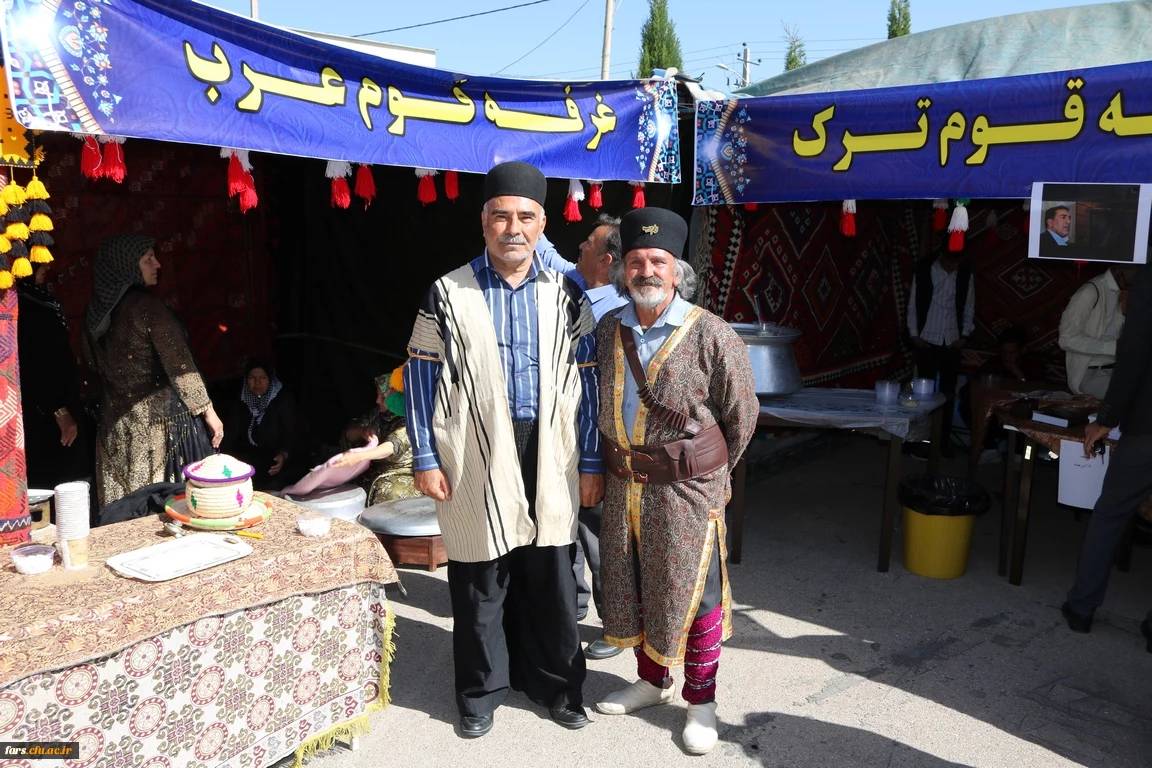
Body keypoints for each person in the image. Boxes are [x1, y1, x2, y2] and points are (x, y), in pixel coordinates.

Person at [404, 161, 603, 738]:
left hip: (552, 447)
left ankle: (556, 686)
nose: (512, 228)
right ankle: (480, 692)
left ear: (542, 223)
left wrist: (592, 459)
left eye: (524, 217)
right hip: (473, 447)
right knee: (480, 573)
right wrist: (424, 456)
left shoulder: (566, 293)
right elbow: (419, 375)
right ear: (483, 222)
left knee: (551, 574)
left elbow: (589, 378)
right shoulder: (447, 292)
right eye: (500, 216)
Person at [592, 207, 758, 755]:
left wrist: (710, 475)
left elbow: (742, 414)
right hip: (626, 485)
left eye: (658, 261)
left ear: (677, 270)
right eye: (636, 261)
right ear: (622, 270)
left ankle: (701, 702)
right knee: (639, 582)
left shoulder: (712, 333)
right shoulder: (609, 328)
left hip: (687, 490)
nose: (646, 271)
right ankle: (652, 681)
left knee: (695, 592)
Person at [82, 234, 223, 508]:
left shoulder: (94, 312)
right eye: (148, 258)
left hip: (114, 424)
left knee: (122, 503)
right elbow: (180, 366)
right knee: (162, 503)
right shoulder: (148, 307)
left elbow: (91, 363)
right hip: (157, 424)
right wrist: (209, 413)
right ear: (126, 265)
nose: (157, 264)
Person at [1063, 266, 1152, 655]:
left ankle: (1082, 608)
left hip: (1147, 426)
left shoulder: (1148, 279)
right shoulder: (1094, 290)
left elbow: (1133, 355)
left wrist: (1106, 419)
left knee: (1111, 514)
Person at [561, 214, 628, 660]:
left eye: (588, 242)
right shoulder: (575, 291)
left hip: (598, 438)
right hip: (566, 433)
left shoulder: (610, 312)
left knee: (600, 534)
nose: (580, 247)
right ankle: (573, 605)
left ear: (605, 260)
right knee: (566, 526)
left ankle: (616, 624)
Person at [17, 262, 86, 489]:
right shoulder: (25, 305)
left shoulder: (36, 299)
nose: (47, 265)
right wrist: (59, 409)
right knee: (56, 481)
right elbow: (35, 363)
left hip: (54, 404)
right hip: (46, 412)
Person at [906, 246, 976, 459]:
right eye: (951, 262)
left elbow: (969, 306)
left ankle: (942, 441)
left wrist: (964, 336)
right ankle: (916, 441)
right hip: (927, 339)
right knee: (922, 394)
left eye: (958, 262)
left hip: (952, 340)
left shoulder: (965, 274)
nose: (954, 266)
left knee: (947, 394)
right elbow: (913, 304)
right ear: (942, 256)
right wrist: (914, 335)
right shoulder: (925, 270)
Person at [332, 365, 422, 504]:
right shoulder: (377, 414)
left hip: (399, 474)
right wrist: (363, 431)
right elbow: (349, 434)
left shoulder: (411, 420)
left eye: (382, 397)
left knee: (388, 492)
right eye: (377, 395)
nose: (377, 401)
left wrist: (359, 456)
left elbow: (392, 446)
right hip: (373, 471)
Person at [958, 326, 1042, 463]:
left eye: (1012, 353)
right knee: (965, 406)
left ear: (1023, 350)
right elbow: (970, 387)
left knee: (1032, 413)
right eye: (1005, 353)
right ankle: (990, 447)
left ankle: (1021, 453)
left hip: (1021, 417)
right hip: (996, 416)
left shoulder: (1033, 363)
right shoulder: (994, 363)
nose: (1008, 357)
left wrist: (1018, 374)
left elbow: (1038, 394)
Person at [221, 358, 299, 490]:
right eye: (252, 377)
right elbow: (232, 433)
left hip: (276, 460)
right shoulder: (241, 400)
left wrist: (283, 455)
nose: (257, 382)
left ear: (270, 379)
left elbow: (290, 433)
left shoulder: (282, 400)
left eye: (262, 377)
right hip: (250, 460)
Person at [1059, 266, 1134, 399]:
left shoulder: (1128, 291)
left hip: (1121, 369)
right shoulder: (1089, 292)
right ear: (1117, 268)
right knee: (1130, 399)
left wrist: (1126, 313)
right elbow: (1066, 340)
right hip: (1091, 372)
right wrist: (1113, 347)